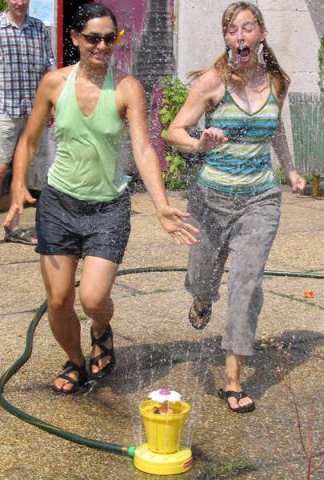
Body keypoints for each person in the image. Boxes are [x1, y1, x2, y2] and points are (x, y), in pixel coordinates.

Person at [4, 3, 199, 395]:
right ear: (75, 39)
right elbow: (27, 140)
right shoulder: (54, 83)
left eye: (111, 38)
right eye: (93, 38)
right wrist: (17, 188)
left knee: (93, 298)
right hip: (58, 205)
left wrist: (161, 204)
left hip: (108, 208)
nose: (102, 46)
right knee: (59, 300)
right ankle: (75, 361)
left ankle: (101, 329)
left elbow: (144, 150)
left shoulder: (127, 87)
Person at [167, 1, 305, 413]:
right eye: (231, 30)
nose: (239, 36)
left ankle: (232, 378)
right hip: (210, 199)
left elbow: (276, 127)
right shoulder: (212, 82)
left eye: (247, 28)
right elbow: (173, 130)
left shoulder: (278, 81)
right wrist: (199, 143)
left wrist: (291, 171)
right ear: (226, 38)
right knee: (204, 278)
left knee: (247, 283)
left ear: (261, 34)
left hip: (260, 200)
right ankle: (202, 299)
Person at [0, 0, 55, 253]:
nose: (20, 2)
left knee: (22, 170)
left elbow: (48, 71)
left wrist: (52, 106)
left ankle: (13, 225)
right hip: (4, 109)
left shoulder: (38, 28)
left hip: (33, 111)